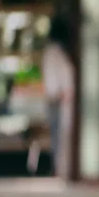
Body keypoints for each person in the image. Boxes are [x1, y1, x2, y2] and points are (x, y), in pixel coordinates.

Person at [41, 16, 74, 178]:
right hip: (59, 99)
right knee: (60, 137)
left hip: (55, 98)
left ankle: (60, 170)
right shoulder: (56, 52)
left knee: (58, 138)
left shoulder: (52, 51)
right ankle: (61, 171)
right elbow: (64, 79)